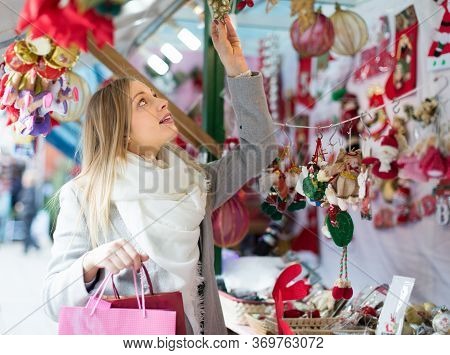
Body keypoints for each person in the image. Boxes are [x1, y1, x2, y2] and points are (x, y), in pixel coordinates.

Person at [42, 16, 277, 335]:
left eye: (155, 96)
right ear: (121, 131)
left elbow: (259, 149)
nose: (161, 102)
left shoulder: (195, 181)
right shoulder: (85, 195)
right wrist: (91, 262)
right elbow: (54, 301)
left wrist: (236, 67)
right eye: (143, 102)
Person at [16, 168, 40, 253]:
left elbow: (29, 201)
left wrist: (22, 206)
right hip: (28, 212)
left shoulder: (31, 189)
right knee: (27, 230)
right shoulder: (29, 189)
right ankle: (28, 247)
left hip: (28, 213)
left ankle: (33, 246)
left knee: (26, 231)